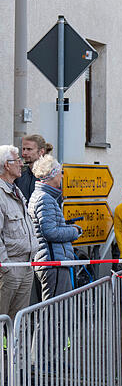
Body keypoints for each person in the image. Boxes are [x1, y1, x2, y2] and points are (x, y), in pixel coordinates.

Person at [27, 155, 81, 300]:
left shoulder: (41, 196)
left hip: (51, 260)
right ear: (51, 175)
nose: (62, 176)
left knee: (54, 310)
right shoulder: (44, 198)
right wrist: (74, 231)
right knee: (54, 311)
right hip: (53, 262)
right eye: (60, 172)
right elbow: (50, 232)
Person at [0, 145, 38, 319]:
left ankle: (18, 348)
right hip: (10, 268)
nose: (21, 164)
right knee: (2, 320)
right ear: (7, 165)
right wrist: (6, 268)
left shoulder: (16, 190)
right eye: (17, 160)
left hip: (26, 265)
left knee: (19, 321)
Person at [15, 134, 48, 202]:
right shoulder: (19, 177)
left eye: (29, 149)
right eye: (23, 149)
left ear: (41, 151)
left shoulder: (50, 177)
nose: (24, 153)